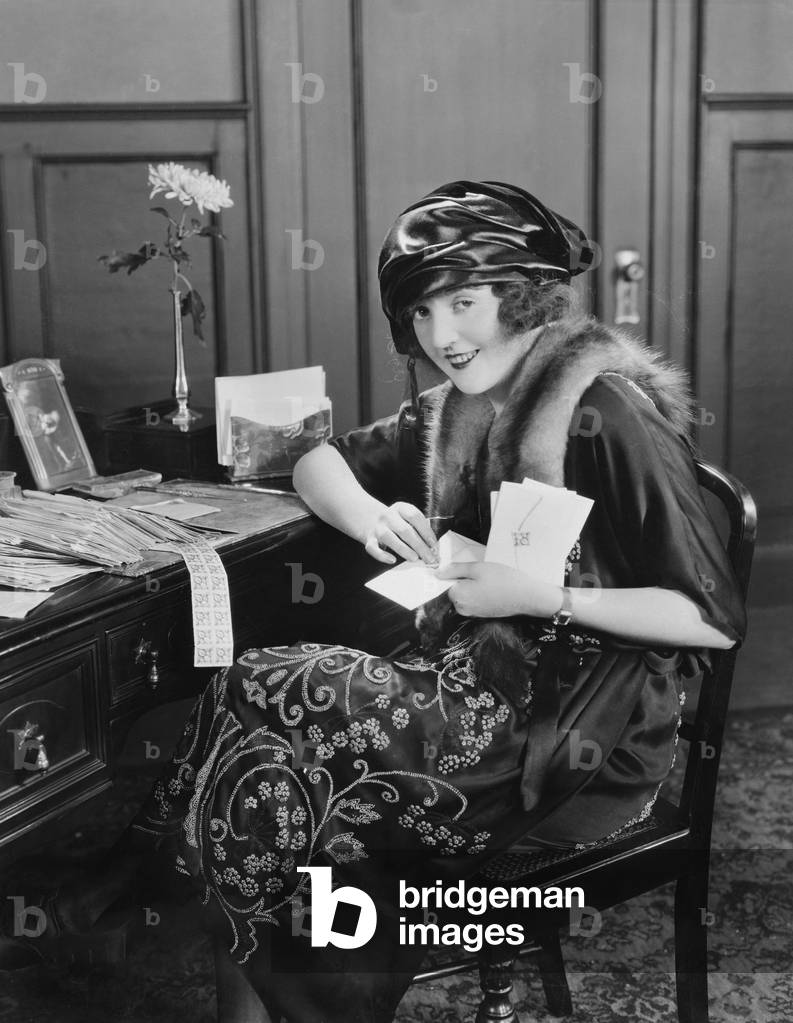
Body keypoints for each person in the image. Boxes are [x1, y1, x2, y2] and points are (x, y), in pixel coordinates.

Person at [0, 181, 746, 1022]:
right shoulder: (464, 406)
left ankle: (116, 906)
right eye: (423, 314)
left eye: (464, 303)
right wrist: (371, 515)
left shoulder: (605, 411)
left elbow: (707, 619)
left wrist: (542, 594)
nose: (443, 336)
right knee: (266, 762)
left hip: (575, 739)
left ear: (522, 295)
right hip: (469, 690)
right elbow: (312, 459)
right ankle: (189, 955)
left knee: (263, 690)